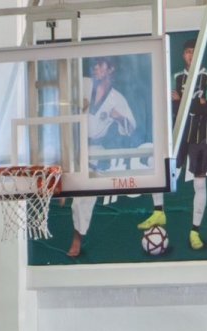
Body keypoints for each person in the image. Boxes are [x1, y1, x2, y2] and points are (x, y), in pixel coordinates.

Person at [139, 38, 207, 251]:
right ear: (183, 55)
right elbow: (170, 107)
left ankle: (195, 231)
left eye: (194, 51)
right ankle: (158, 211)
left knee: (199, 184)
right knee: (161, 172)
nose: (191, 55)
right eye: (187, 52)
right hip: (179, 134)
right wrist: (192, 103)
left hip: (201, 135)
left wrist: (182, 100)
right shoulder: (175, 77)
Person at [68, 56, 138, 258]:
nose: (95, 68)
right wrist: (74, 106)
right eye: (94, 64)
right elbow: (60, 95)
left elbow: (131, 128)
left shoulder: (117, 99)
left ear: (111, 69)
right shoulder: (83, 84)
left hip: (94, 149)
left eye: (100, 64)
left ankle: (77, 237)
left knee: (83, 198)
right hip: (69, 143)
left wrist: (120, 118)